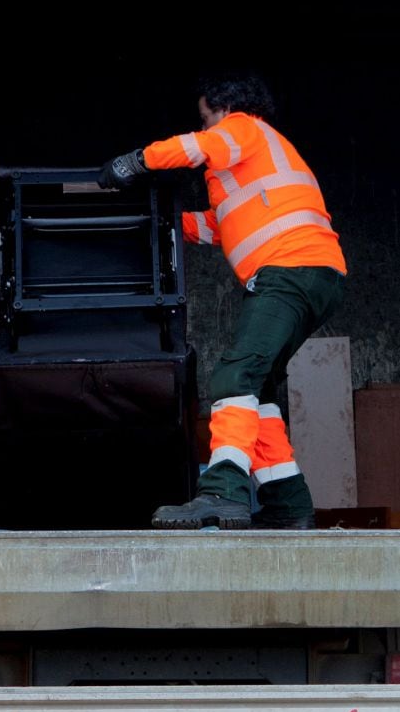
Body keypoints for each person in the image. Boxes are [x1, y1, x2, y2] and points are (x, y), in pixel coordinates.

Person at [98, 71, 347, 529]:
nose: (206, 126)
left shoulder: (243, 129)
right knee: (258, 390)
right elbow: (220, 225)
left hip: (290, 271)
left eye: (205, 117)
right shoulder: (255, 162)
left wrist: (135, 162)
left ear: (222, 107)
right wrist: (168, 224)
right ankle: (288, 505)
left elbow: (195, 148)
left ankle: (223, 492)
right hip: (313, 275)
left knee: (233, 376)